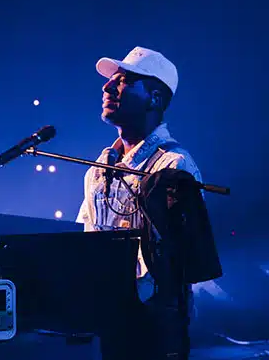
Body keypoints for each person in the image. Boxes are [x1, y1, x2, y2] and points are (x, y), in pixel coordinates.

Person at [76, 47, 201, 298]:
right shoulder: (99, 170)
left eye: (123, 81)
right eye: (111, 80)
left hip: (154, 319)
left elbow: (178, 256)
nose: (107, 87)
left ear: (154, 98)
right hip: (106, 313)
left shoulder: (174, 166)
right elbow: (87, 244)